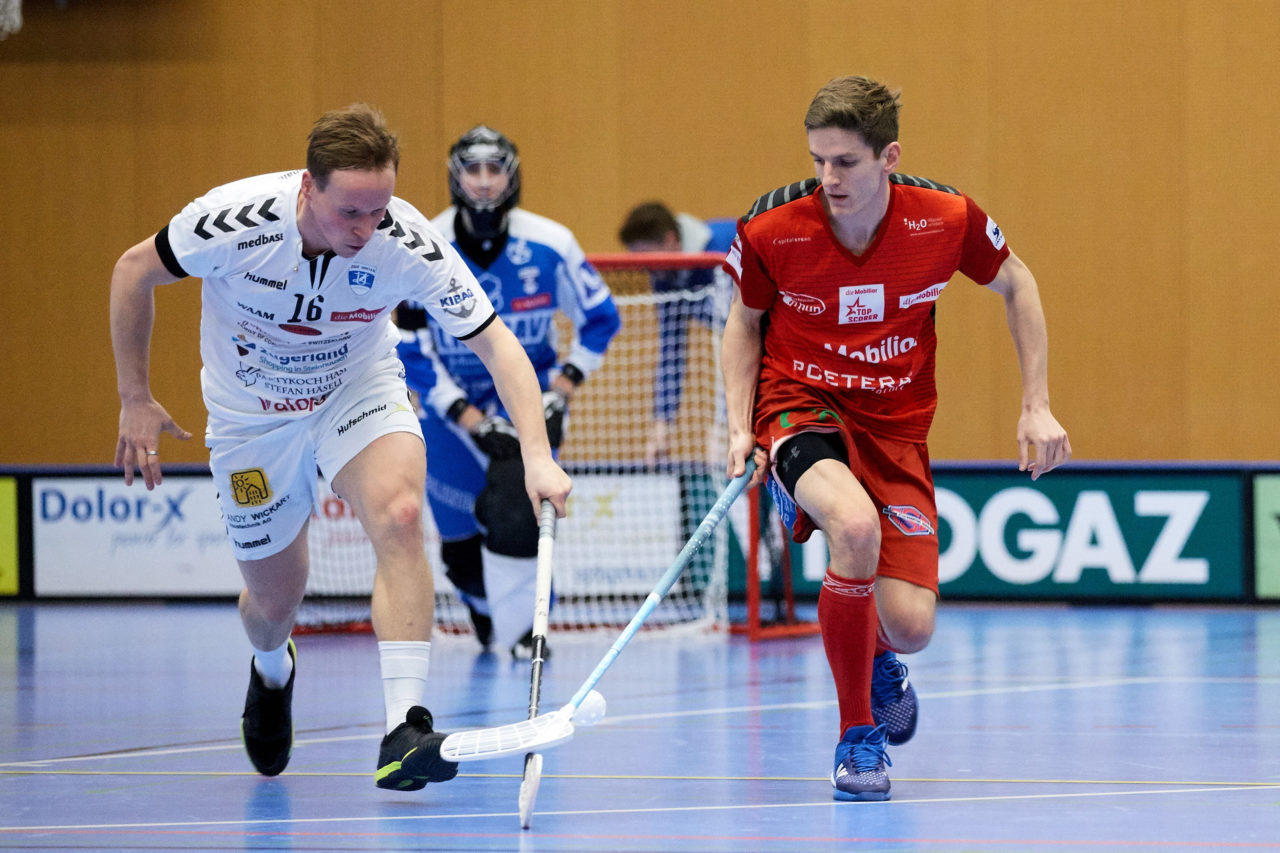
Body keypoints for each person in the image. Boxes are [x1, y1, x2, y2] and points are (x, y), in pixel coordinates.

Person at [110, 104, 571, 789]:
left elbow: (498, 343)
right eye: (350, 211)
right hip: (251, 419)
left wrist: (537, 452)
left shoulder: (404, 239)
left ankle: (404, 728)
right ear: (307, 188)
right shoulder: (233, 222)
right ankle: (272, 669)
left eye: (378, 208)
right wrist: (134, 397)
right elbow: (132, 270)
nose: (367, 227)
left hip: (355, 389)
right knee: (274, 600)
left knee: (401, 513)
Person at [721, 76, 1071, 802]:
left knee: (910, 625)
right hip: (800, 405)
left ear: (889, 156)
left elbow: (1021, 285)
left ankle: (878, 653)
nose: (828, 178)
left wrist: (1035, 404)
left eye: (845, 162)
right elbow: (744, 322)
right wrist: (735, 425)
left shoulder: (945, 218)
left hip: (895, 425)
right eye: (819, 160)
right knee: (853, 528)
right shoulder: (772, 224)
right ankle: (857, 739)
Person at [396, 125, 620, 657]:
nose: (483, 181)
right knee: (461, 551)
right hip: (447, 412)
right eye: (472, 170)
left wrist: (561, 390)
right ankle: (480, 603)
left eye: (494, 169)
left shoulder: (551, 243)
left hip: (527, 405)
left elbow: (600, 319)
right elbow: (405, 342)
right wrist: (465, 414)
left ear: (512, 177)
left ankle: (527, 632)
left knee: (522, 516)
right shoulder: (420, 243)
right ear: (456, 178)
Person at [619, 202, 736, 466]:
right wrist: (662, 423)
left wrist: (727, 421)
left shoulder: (722, 251)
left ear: (670, 240)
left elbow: (742, 339)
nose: (644, 269)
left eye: (646, 258)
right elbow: (672, 348)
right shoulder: (664, 274)